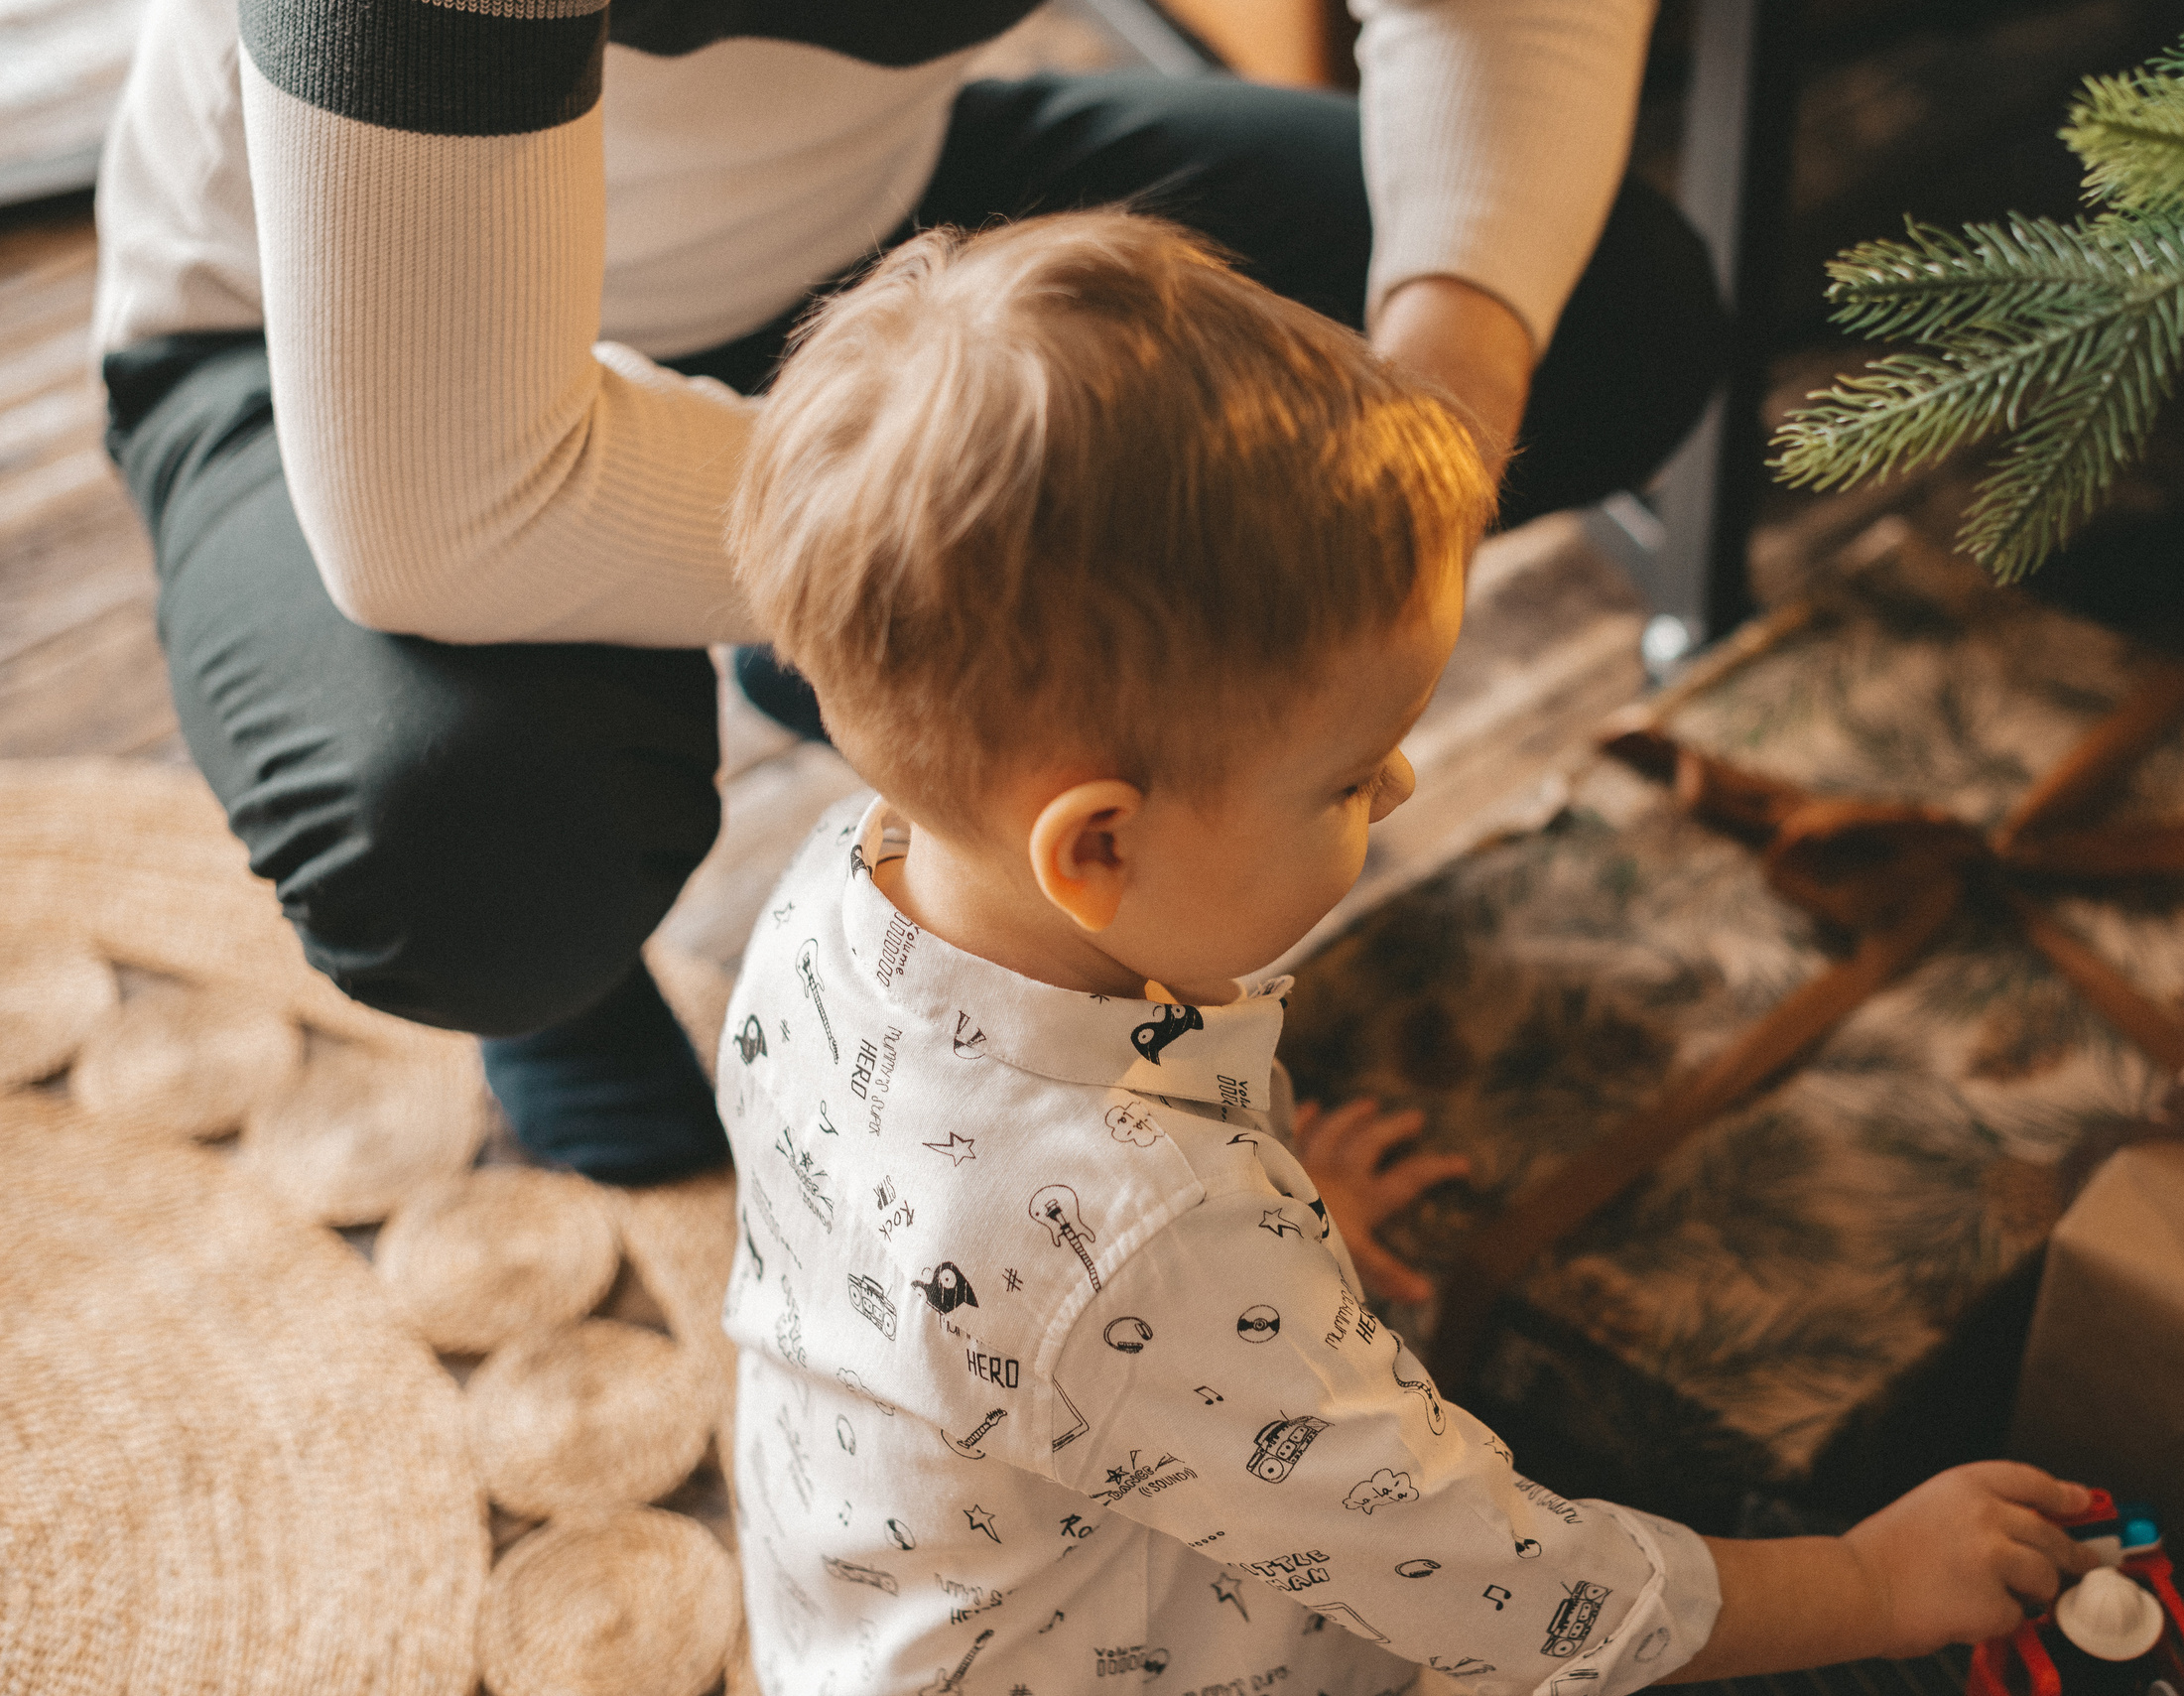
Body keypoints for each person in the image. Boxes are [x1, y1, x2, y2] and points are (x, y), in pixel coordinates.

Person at [713, 209, 2097, 1696]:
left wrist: (1248, 1305)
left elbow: (1024, 1304)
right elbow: (1503, 1592)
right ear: (1097, 849)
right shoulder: (1141, 1246)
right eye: (1348, 774)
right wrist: (1869, 1579)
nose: (1404, 788)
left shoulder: (837, 887)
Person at [91, 0, 1722, 1184]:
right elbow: (440, 507)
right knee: (478, 838)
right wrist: (1020, 583)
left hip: (861, 239)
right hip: (338, 332)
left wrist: (1444, 394)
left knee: (1608, 313)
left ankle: (870, 674)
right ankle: (571, 966)